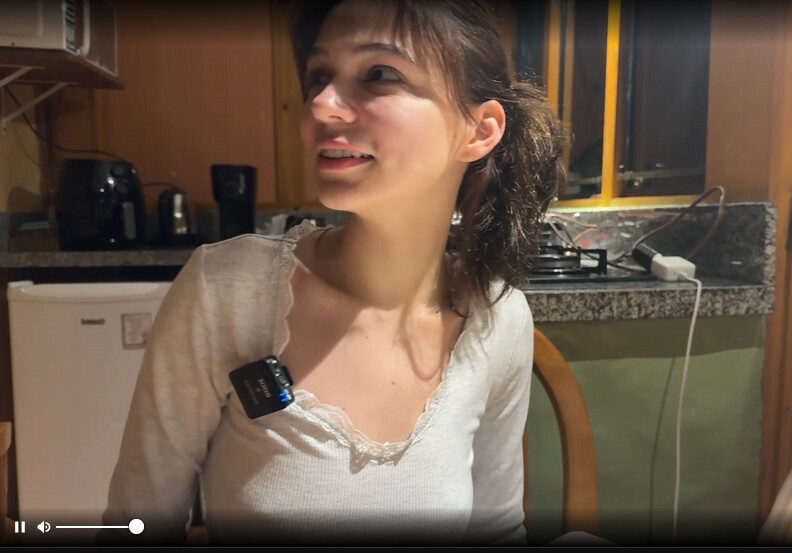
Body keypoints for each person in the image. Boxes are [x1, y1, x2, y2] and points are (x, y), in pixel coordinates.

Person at [100, 0, 566, 545]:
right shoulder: (228, 291)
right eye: (319, 76)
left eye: (380, 74)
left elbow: (498, 529)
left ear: (479, 131)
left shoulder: (498, 319)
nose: (322, 105)